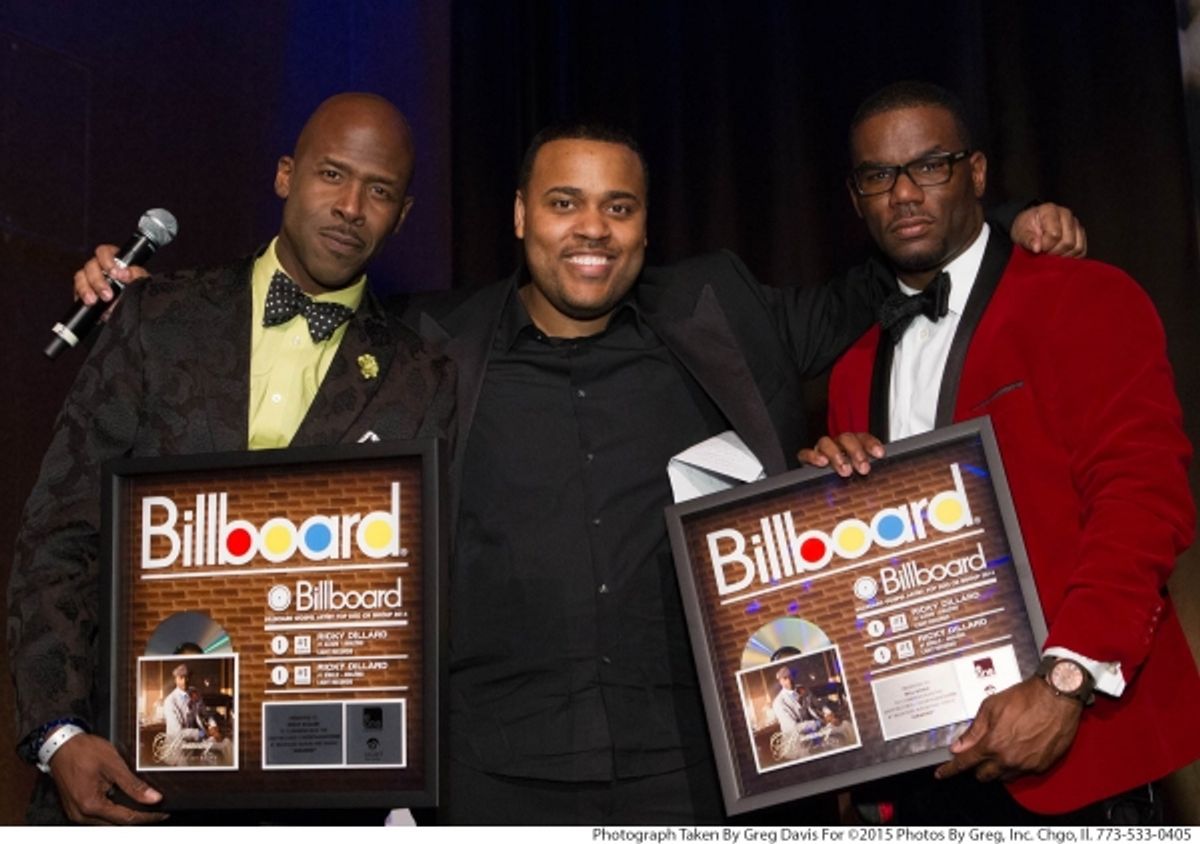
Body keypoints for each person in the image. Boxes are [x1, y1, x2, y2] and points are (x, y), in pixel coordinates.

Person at [68, 122, 1083, 825]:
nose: (591, 229)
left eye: (618, 207)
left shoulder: (720, 311)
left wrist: (1021, 224)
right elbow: (287, 338)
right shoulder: (431, 340)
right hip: (486, 775)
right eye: (564, 202)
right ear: (520, 215)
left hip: (694, 770)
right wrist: (162, 305)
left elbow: (889, 276)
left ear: (646, 224)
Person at [7, 92, 455, 825]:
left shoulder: (423, 376)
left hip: (313, 797)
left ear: (402, 215)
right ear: (286, 175)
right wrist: (58, 734)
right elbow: (60, 534)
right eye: (331, 175)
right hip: (117, 772)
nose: (350, 206)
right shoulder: (157, 318)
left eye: (379, 191)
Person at [801, 81, 1200, 823]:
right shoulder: (853, 367)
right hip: (922, 779)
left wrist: (1065, 683)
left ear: (977, 173)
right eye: (878, 176)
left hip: (1076, 753)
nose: (905, 193)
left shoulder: (1085, 298)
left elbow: (1142, 502)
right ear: (855, 197)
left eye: (930, 165)